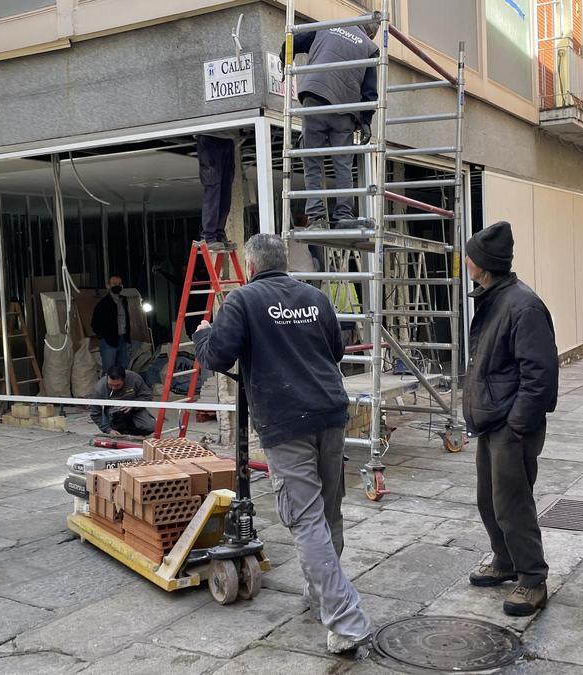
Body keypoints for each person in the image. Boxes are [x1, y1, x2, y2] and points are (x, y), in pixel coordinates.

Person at [193, 233, 371, 654]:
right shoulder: (316, 298)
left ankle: (345, 620)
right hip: (330, 412)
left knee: (306, 520)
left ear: (251, 267)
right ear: (284, 262)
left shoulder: (243, 301)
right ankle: (320, 593)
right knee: (329, 511)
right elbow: (336, 351)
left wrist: (203, 333)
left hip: (286, 421)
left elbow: (218, 355)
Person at [462, 221, 559, 617]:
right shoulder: (493, 298)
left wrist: (517, 425)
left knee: (512, 503)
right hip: (492, 420)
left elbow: (540, 374)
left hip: (511, 424)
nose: (465, 262)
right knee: (489, 499)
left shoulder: (522, 305)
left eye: (470, 258)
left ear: (484, 265)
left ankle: (532, 579)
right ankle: (504, 560)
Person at [287, 23, 379, 229]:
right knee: (343, 163)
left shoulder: (326, 28)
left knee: (312, 161)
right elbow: (370, 91)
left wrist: (285, 63)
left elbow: (293, 42)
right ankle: (344, 217)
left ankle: (317, 218)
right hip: (343, 108)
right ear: (372, 32)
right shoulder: (369, 46)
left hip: (314, 98)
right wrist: (366, 122)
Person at [196, 131, 240, 247]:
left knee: (226, 190)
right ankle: (208, 236)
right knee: (213, 188)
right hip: (209, 137)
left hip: (228, 139)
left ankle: (219, 233)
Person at [88, 366, 155, 437]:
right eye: (111, 385)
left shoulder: (135, 379)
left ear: (124, 379)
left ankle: (133, 429)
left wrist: (134, 405)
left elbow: (147, 396)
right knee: (117, 416)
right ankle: (119, 428)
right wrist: (108, 430)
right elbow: (95, 413)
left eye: (117, 385)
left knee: (151, 427)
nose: (113, 388)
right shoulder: (100, 388)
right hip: (114, 412)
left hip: (135, 408)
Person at [91, 275, 130, 372]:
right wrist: (104, 336)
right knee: (109, 369)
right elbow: (94, 324)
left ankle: (121, 387)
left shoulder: (123, 301)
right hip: (109, 342)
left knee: (123, 369)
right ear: (108, 286)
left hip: (122, 339)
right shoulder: (103, 304)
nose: (117, 286)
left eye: (119, 284)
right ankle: (107, 387)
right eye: (114, 284)